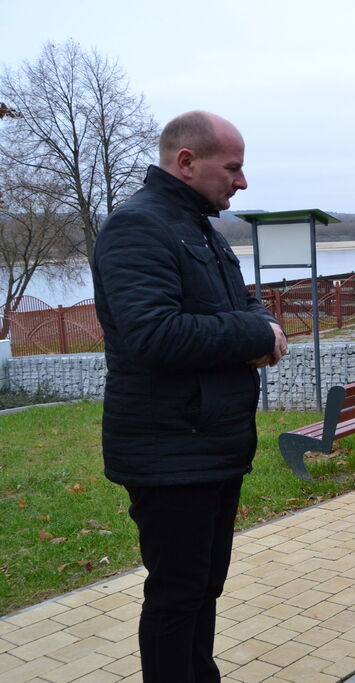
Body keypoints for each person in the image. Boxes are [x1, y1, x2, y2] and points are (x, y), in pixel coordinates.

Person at [91, 110, 288, 682]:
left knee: (205, 587)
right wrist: (255, 336)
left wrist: (258, 327)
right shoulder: (137, 227)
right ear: (186, 162)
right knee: (177, 596)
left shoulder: (199, 227)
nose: (242, 182)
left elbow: (245, 305)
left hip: (212, 446)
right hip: (169, 452)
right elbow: (153, 333)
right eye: (233, 168)